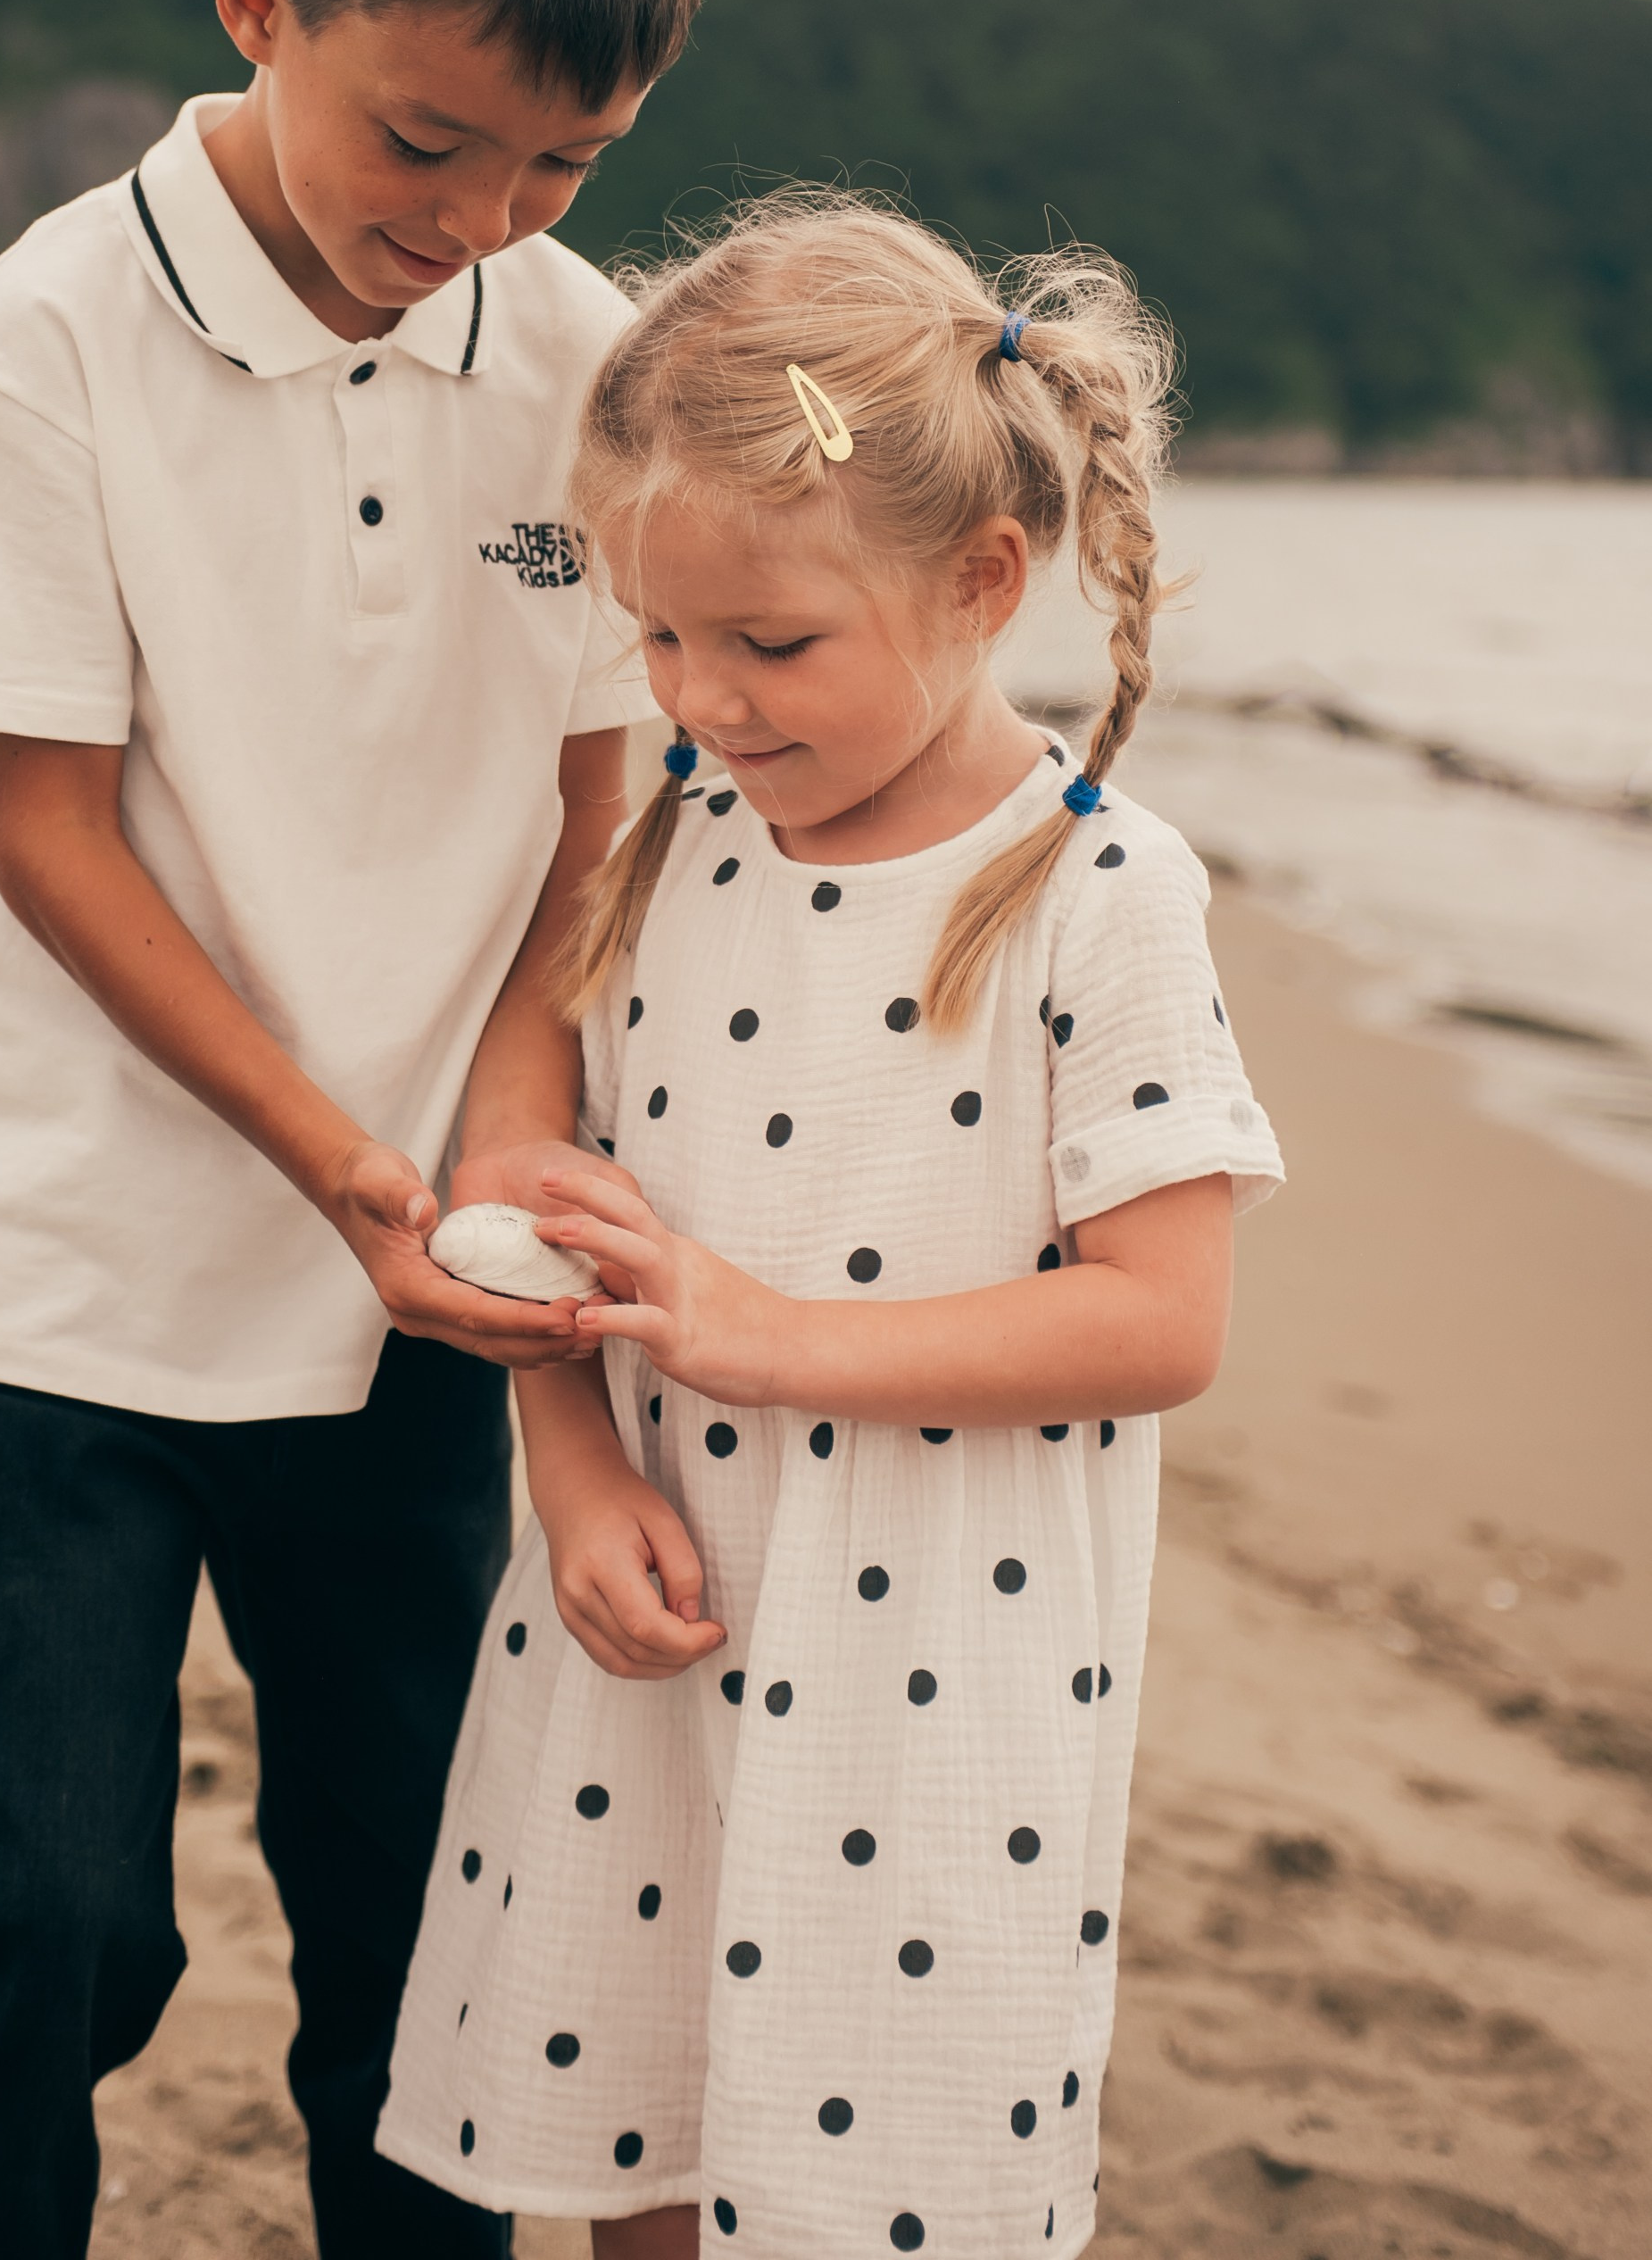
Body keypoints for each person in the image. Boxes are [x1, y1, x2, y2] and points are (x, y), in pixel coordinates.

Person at [0, 0, 709, 2260]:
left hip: (417, 1299)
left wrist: (498, 1148)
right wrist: (337, 1153)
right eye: (424, 139)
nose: (478, 220)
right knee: (46, 1918)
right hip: (82, 1273)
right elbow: (46, 833)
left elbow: (593, 809)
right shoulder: (49, 337)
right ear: (258, 0)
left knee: (416, 1934)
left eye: (562, 163)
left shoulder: (582, 359)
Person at [378, 197, 1286, 2258]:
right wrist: (572, 1457)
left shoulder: (1101, 894)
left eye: (770, 644)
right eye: (657, 636)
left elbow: (1161, 1319)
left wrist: (759, 1333)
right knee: (638, 2141)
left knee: (869, 2182)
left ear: (982, 580)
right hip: (653, 1626)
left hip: (930, 1683)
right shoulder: (669, 844)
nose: (701, 698)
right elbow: (549, 1168)